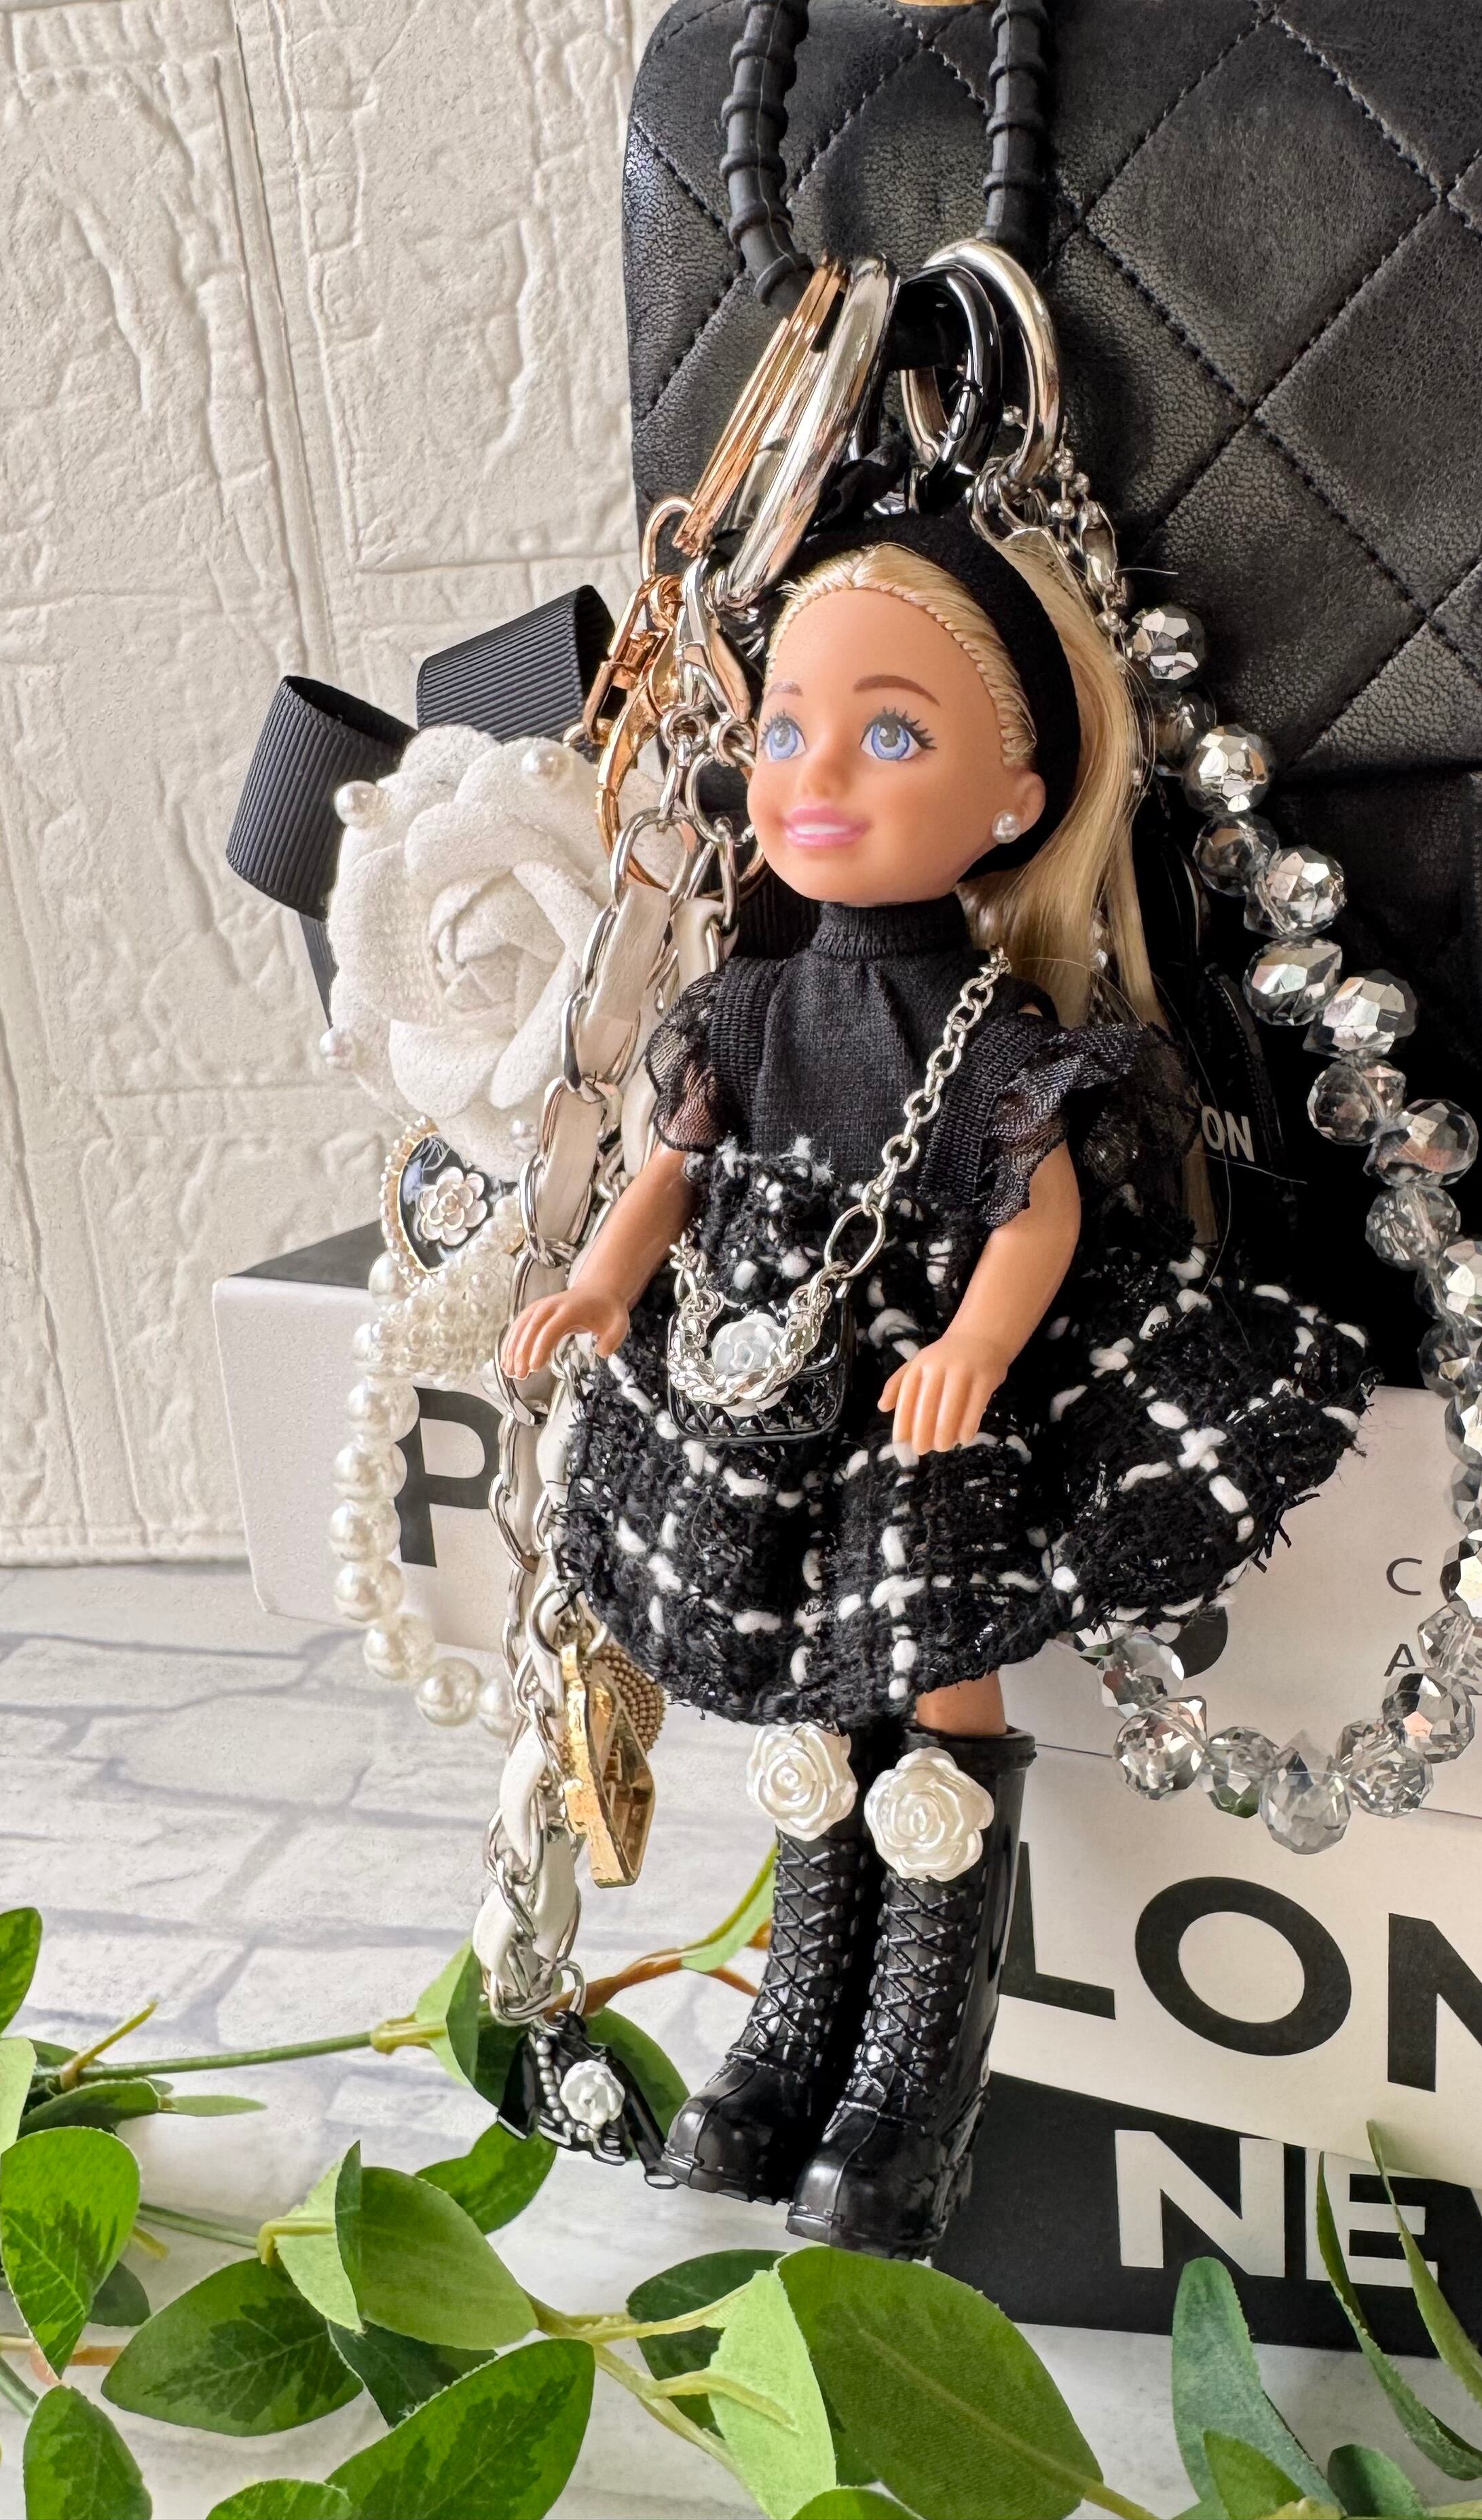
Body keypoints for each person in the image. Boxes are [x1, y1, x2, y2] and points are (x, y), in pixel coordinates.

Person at [502, 510, 1367, 2258]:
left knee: (938, 1679)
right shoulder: (744, 1008)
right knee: (815, 1692)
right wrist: (597, 1286)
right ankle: (792, 2025)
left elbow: (1037, 1215)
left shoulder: (989, 1032)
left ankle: (912, 2071)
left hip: (915, 1398)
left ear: (1016, 802)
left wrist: (973, 1343)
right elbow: (667, 1173)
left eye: (890, 734)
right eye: (786, 731)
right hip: (762, 1395)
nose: (818, 776)